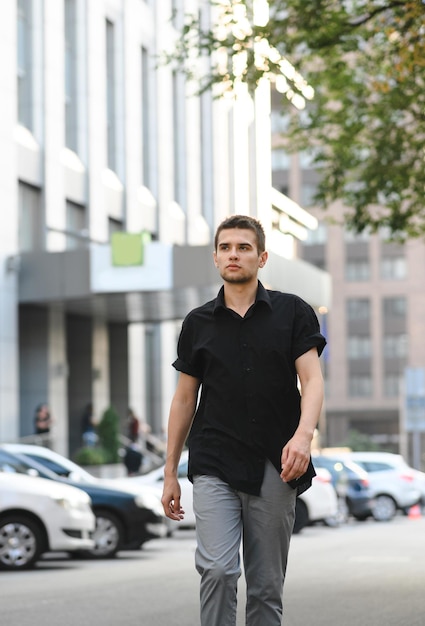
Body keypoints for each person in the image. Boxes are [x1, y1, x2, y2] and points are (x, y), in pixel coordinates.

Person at [161, 215, 326, 626]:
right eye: (226, 247)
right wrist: (169, 473)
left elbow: (312, 380)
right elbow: (184, 400)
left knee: (266, 585)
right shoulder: (198, 323)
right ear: (216, 258)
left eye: (244, 247)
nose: (234, 254)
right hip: (215, 460)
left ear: (262, 257)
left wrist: (304, 436)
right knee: (217, 570)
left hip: (276, 461)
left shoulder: (293, 312)